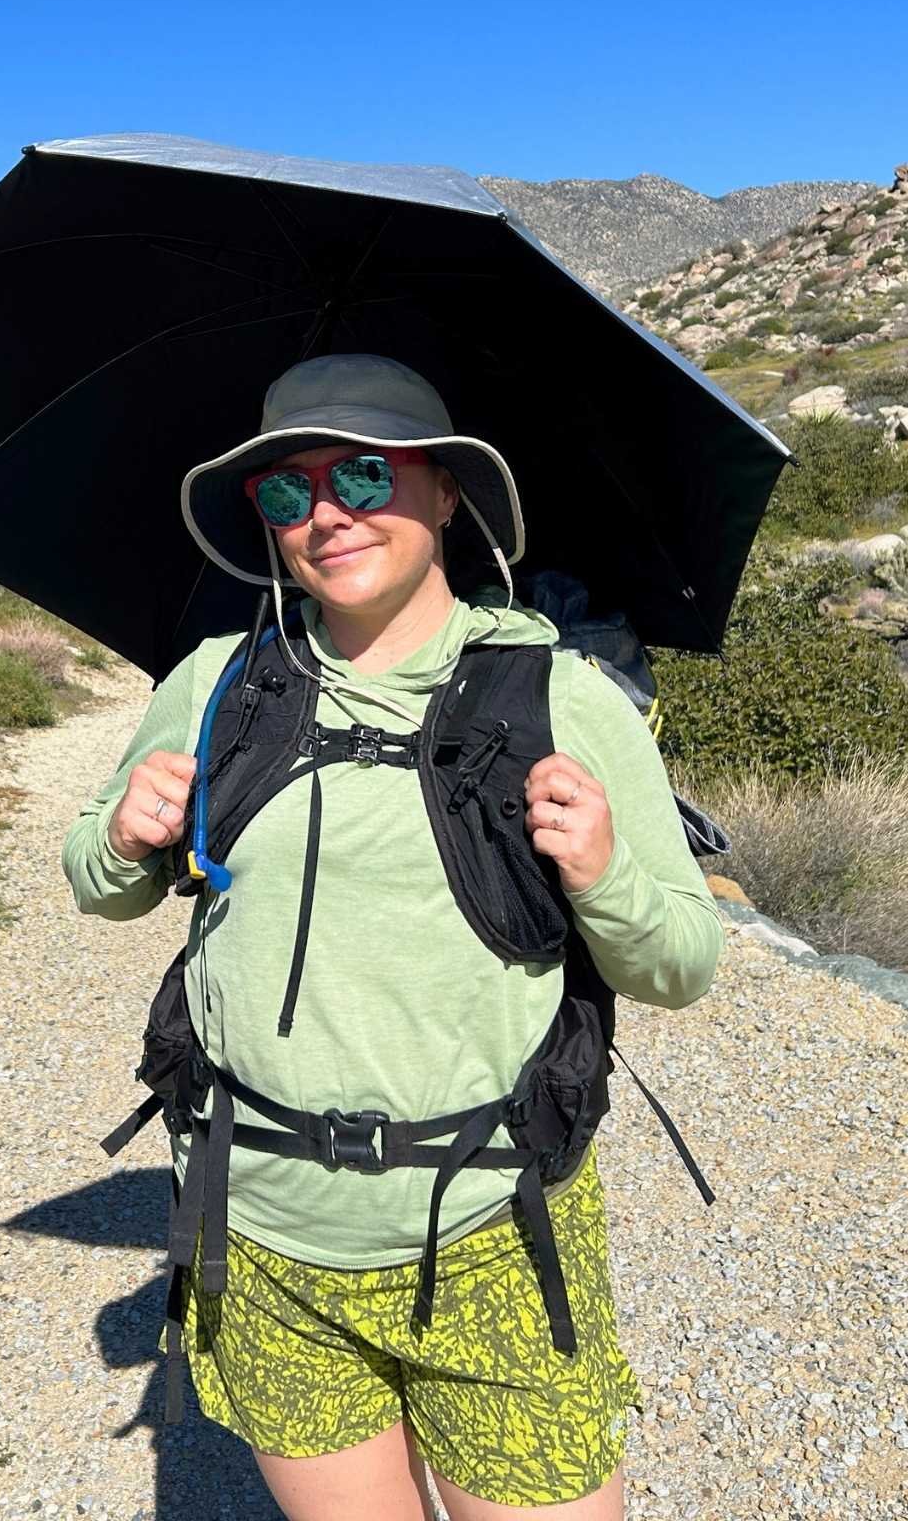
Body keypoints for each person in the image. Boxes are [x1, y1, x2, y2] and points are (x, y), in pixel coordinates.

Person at [61, 353, 724, 1520]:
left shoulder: (564, 699)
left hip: (492, 1227)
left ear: (448, 494)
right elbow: (101, 886)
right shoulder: (220, 682)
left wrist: (607, 871)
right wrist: (120, 836)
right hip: (258, 1230)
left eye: (364, 474)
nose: (325, 514)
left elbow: (681, 965)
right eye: (286, 492)